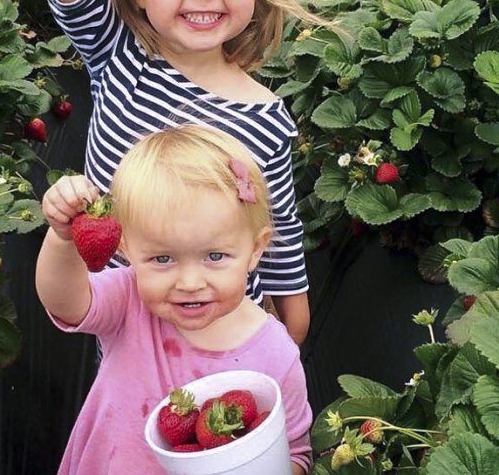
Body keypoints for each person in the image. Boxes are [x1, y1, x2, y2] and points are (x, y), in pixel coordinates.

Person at [42, 0, 327, 345]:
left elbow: (278, 234)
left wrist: (291, 329)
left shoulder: (264, 119)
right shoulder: (122, 55)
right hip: (125, 314)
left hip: (221, 325)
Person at [37, 125, 313, 474]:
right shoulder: (129, 301)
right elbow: (65, 302)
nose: (190, 282)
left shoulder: (277, 355)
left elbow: (296, 452)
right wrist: (63, 238)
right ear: (127, 251)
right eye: (163, 259)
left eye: (215, 256)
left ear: (255, 249)